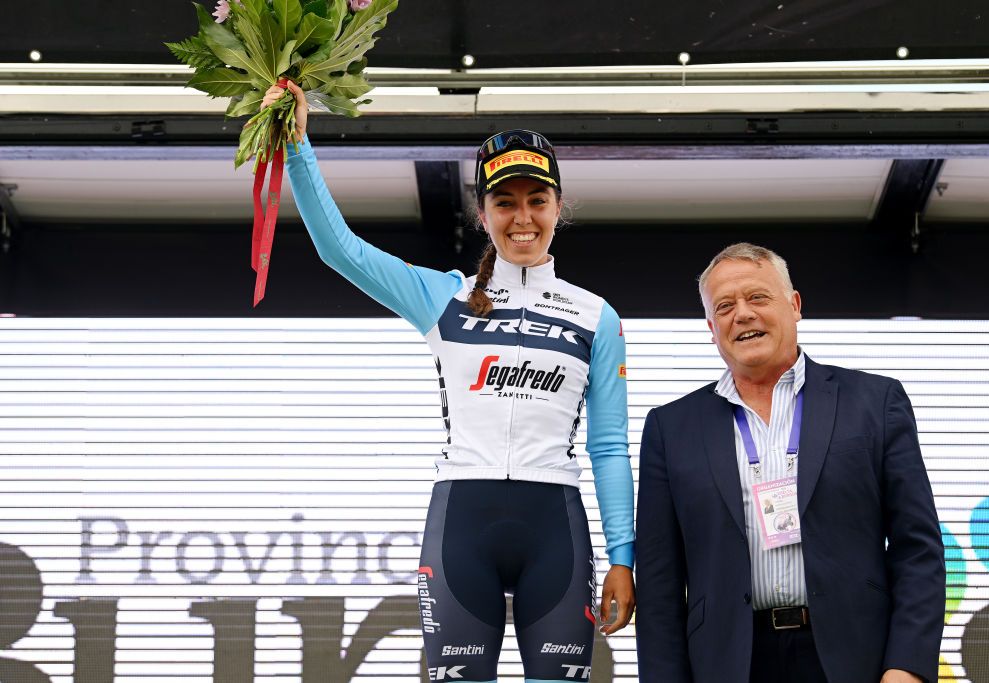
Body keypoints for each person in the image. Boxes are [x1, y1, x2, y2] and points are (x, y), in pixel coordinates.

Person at [263, 81, 635, 683]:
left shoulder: (598, 316)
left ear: (558, 208)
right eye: (505, 202)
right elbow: (340, 251)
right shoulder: (445, 297)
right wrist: (299, 147)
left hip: (557, 528)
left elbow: (610, 446)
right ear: (482, 213)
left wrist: (624, 556)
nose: (522, 218)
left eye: (537, 200)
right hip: (463, 522)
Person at [635, 243, 944, 683]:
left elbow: (918, 550)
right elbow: (659, 584)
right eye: (724, 306)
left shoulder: (875, 403)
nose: (742, 314)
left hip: (857, 659)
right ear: (711, 328)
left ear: (794, 305)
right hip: (728, 664)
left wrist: (908, 667)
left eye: (758, 297)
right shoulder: (671, 428)